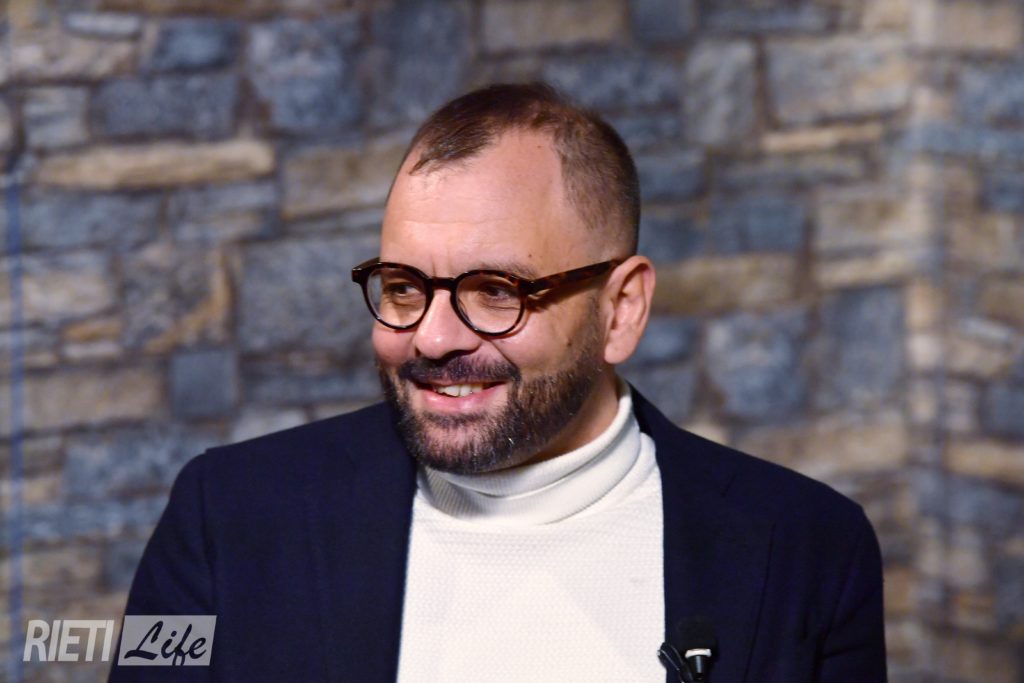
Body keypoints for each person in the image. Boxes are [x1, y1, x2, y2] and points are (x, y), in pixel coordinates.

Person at [110, 83, 887, 682]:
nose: (433, 337)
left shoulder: (809, 548)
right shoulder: (224, 517)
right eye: (404, 286)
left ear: (620, 309)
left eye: (495, 291)